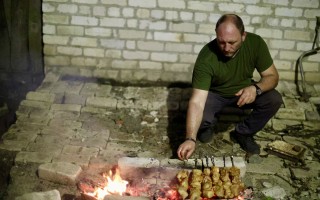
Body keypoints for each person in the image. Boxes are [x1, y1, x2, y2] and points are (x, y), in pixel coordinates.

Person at [177, 14, 283, 160]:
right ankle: (208, 125)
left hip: (244, 91)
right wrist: (190, 139)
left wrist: (255, 88)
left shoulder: (255, 43)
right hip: (215, 94)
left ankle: (243, 133)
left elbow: (272, 76)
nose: (227, 48)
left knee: (274, 99)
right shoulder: (206, 57)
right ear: (216, 34)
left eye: (232, 42)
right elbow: (197, 102)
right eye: (222, 42)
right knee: (199, 119)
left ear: (243, 36)